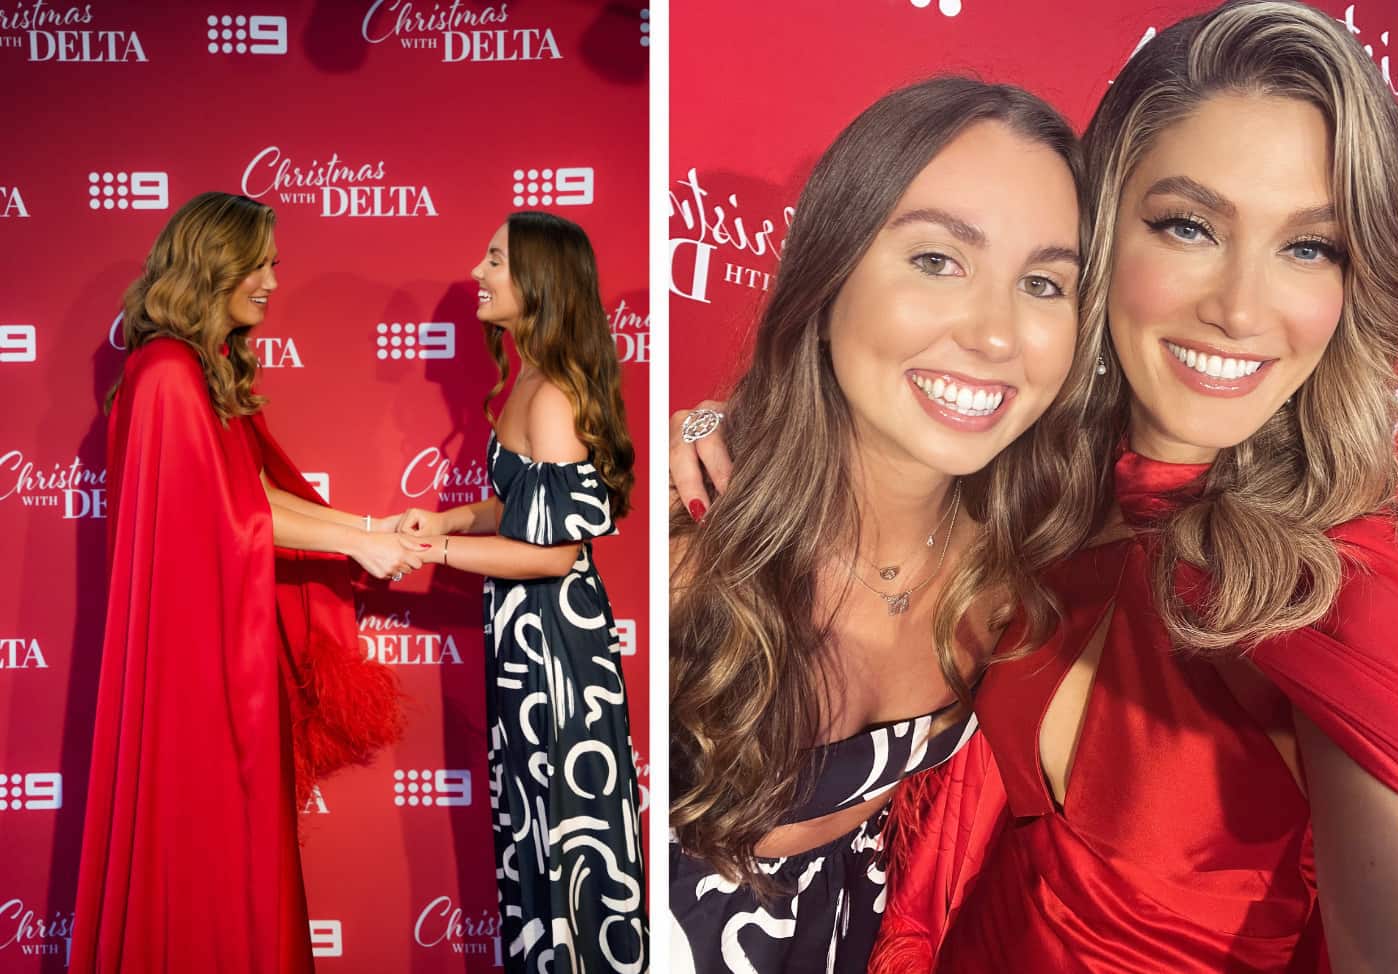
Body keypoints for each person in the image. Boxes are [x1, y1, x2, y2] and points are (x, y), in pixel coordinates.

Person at [874, 2, 1398, 969]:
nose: (1239, 308)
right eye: (1189, 226)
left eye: (1308, 246)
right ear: (1104, 228)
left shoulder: (1350, 588)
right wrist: (713, 426)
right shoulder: (1032, 484)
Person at [667, 77, 1088, 972]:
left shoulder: (1038, 559)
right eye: (937, 260)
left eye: (1045, 282)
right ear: (829, 274)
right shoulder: (679, 549)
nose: (996, 334)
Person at [71, 192, 411, 973]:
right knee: (205, 850)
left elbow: (251, 492)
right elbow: (237, 517)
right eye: (256, 264)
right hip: (191, 670)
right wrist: (367, 542)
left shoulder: (202, 367)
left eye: (272, 265)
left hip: (227, 655)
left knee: (242, 853)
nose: (268, 281)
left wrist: (369, 533)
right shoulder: (165, 373)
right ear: (211, 264)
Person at [398, 211, 647, 973]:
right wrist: (442, 518)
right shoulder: (529, 378)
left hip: (557, 662)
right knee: (534, 841)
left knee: (566, 840)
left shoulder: (554, 397)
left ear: (537, 281)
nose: (477, 271)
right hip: (524, 652)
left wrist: (435, 550)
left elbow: (551, 555)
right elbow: (519, 510)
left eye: (495, 259)